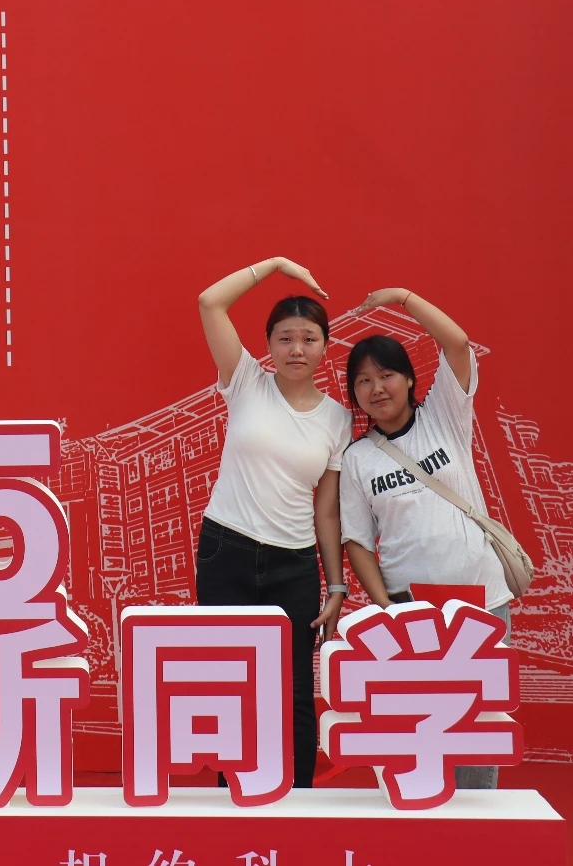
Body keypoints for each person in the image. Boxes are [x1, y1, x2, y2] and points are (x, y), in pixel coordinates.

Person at [338, 287, 512, 790]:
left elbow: (457, 344)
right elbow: (357, 543)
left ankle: (476, 823)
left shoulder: (443, 416)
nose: (377, 388)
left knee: (475, 721)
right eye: (363, 381)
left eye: (387, 375)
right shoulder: (357, 459)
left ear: (410, 379)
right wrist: (384, 608)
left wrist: (403, 298)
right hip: (409, 612)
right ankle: (418, 821)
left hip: (479, 601)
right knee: (416, 727)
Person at [196, 256, 353, 788]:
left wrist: (336, 585)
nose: (296, 350)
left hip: (294, 563)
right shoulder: (245, 381)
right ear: (268, 345)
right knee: (231, 684)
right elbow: (210, 302)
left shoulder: (338, 419)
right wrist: (278, 265)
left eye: (309, 339)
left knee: (294, 691)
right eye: (285, 338)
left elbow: (326, 509)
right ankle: (233, 800)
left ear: (325, 347)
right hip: (226, 550)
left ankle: (299, 803)